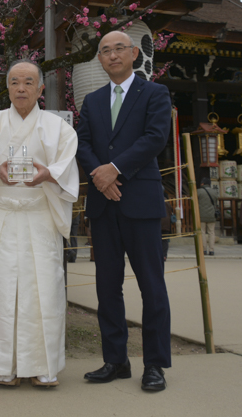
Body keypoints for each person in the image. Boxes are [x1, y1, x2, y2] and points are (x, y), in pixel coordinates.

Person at [0, 59, 79, 388]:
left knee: (43, 289)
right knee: (0, 289)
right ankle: (3, 364)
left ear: (41, 89)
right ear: (7, 87)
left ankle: (44, 364)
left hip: (40, 215)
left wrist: (49, 174)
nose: (21, 88)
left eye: (29, 82)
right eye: (15, 81)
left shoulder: (59, 128)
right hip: (2, 215)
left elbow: (66, 163)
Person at [76, 31, 172, 392]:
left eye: (119, 49)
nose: (112, 55)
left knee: (152, 285)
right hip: (104, 204)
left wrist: (113, 169)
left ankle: (155, 364)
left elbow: (155, 137)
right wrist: (100, 177)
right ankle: (115, 360)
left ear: (134, 53)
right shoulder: (92, 99)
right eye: (105, 51)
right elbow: (81, 142)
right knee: (107, 286)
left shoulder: (155, 93)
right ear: (99, 59)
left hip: (141, 203)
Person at [197, 178, 218, 256]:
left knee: (202, 232)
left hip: (201, 215)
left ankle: (204, 249)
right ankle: (211, 250)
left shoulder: (198, 191)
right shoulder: (214, 192)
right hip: (212, 215)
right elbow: (215, 202)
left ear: (202, 183)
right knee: (211, 232)